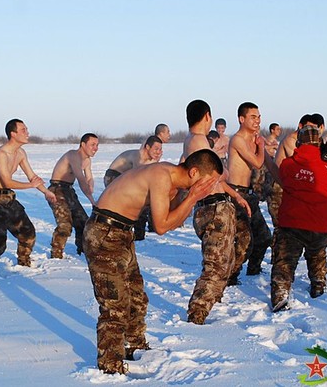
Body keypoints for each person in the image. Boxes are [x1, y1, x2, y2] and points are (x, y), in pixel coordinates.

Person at [83, 149, 223, 374]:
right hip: (104, 232)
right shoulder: (161, 176)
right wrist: (193, 197)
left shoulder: (172, 182)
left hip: (120, 232)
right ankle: (110, 366)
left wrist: (187, 198)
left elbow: (174, 221)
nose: (209, 190)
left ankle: (134, 345)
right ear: (194, 172)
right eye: (208, 183)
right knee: (115, 304)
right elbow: (161, 226)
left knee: (136, 296)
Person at [181, 100, 250, 326]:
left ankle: (214, 292)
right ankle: (197, 314)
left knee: (232, 253)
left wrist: (237, 196)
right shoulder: (199, 141)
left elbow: (215, 178)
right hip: (213, 208)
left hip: (217, 203)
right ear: (208, 116)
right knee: (216, 266)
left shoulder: (192, 141)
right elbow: (220, 175)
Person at [270, 125, 327, 312]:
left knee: (285, 261)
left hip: (291, 223)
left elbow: (284, 178)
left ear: (299, 143)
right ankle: (318, 283)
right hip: (320, 226)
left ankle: (281, 291)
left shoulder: (289, 165)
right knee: (317, 255)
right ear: (320, 143)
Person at [0, 119, 56, 277]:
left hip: (8, 197)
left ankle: (23, 262)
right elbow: (7, 181)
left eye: (27, 129)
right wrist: (31, 186)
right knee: (0, 236)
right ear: (13, 134)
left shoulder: (20, 153)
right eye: (23, 130)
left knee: (28, 233)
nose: (27, 132)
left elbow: (32, 176)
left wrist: (46, 192)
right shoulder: (1, 153)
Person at [227, 102, 273, 279]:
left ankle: (253, 269)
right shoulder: (238, 139)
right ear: (241, 119)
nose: (258, 121)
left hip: (248, 193)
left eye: (259, 117)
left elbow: (267, 163)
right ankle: (231, 275)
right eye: (253, 117)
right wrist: (261, 146)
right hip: (235, 193)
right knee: (243, 240)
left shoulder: (253, 139)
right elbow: (258, 163)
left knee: (263, 237)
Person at [48, 133, 99, 258]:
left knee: (83, 222)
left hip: (68, 190)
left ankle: (82, 250)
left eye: (97, 145)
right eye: (92, 145)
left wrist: (91, 183)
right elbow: (81, 179)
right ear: (83, 144)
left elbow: (88, 178)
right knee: (65, 225)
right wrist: (92, 201)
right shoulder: (73, 155)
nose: (95, 148)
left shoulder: (87, 161)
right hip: (56, 189)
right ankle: (56, 254)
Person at [103, 135, 163, 240]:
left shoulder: (150, 158)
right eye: (156, 149)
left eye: (160, 149)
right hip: (113, 177)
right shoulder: (138, 155)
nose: (158, 152)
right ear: (147, 147)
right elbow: (138, 174)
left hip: (125, 178)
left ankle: (139, 234)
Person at [270, 113, 325, 227]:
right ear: (300, 126)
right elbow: (300, 164)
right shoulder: (291, 140)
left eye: (314, 128)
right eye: (308, 127)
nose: (311, 131)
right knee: (283, 224)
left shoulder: (307, 141)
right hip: (279, 184)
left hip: (293, 183)